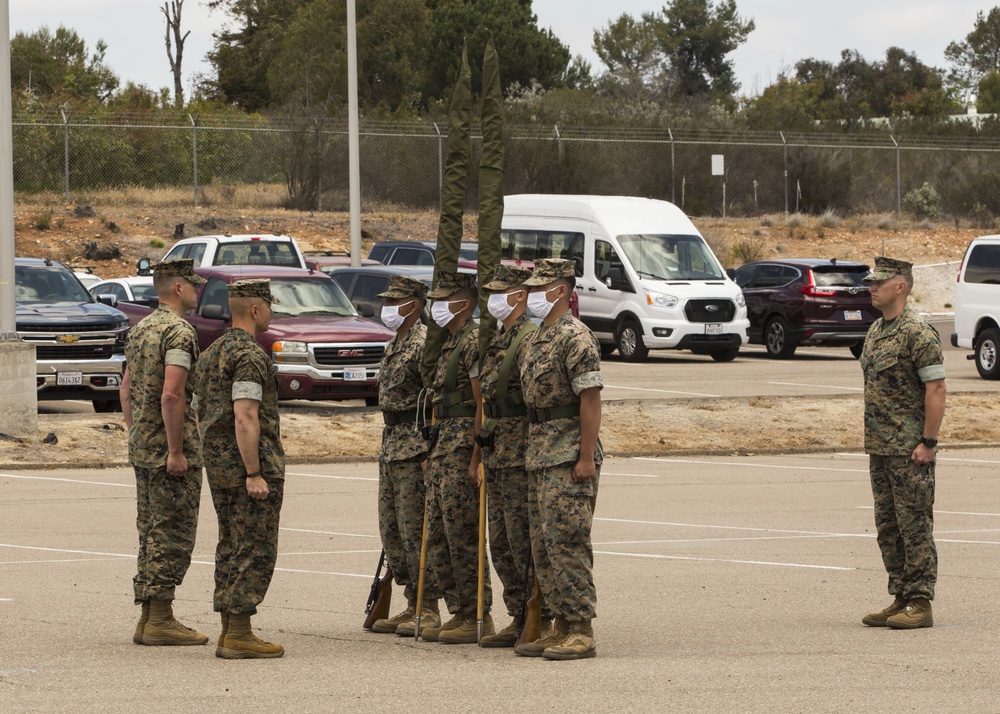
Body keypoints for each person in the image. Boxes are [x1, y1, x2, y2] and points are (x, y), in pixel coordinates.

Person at [194, 279, 286, 658]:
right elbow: (245, 416)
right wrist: (254, 471)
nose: (272, 311)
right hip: (246, 467)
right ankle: (240, 632)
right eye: (270, 305)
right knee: (253, 547)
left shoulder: (212, 351)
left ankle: (230, 628)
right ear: (255, 309)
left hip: (219, 465)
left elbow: (200, 412)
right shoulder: (249, 355)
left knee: (231, 544)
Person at [121, 257, 209, 647]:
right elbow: (172, 394)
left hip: (143, 447)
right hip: (170, 450)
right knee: (171, 531)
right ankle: (160, 618)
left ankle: (148, 616)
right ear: (177, 288)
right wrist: (175, 450)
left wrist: (137, 430)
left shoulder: (140, 330)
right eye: (193, 285)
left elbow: (125, 389)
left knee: (150, 529)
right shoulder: (179, 332)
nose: (197, 290)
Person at [518, 258, 603, 660]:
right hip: (539, 454)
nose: (533, 295)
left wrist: (585, 457)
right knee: (543, 545)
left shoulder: (576, 337)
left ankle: (581, 627)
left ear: (562, 291)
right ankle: (561, 624)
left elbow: (590, 399)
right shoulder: (537, 338)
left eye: (540, 288)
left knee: (568, 541)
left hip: (568, 454)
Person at [860, 256, 946, 630]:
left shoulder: (918, 332)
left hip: (910, 450)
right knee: (889, 527)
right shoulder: (877, 331)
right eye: (871, 282)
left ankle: (921, 601)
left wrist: (929, 441)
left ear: (901, 286)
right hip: (881, 448)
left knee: (914, 526)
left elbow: (937, 388)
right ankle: (901, 596)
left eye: (879, 282)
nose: (871, 288)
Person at [420, 270, 494, 643]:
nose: (435, 307)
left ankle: (475, 611)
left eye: (443, 300)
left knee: (462, 532)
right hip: (442, 447)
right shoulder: (449, 343)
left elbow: (482, 402)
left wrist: (476, 456)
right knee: (439, 535)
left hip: (462, 445)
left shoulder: (472, 343)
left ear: (463, 304)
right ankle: (458, 609)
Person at [370, 275, 442, 637]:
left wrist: (431, 448)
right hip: (392, 444)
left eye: (394, 301)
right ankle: (411, 599)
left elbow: (436, 399)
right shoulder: (396, 342)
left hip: (414, 447)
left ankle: (428, 607)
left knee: (417, 531)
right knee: (392, 529)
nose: (387, 308)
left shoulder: (424, 343)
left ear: (413, 305)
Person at [475, 264, 537, 647]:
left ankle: (537, 615)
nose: (492, 301)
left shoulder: (528, 338)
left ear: (519, 296)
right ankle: (518, 615)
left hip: (519, 453)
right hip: (497, 451)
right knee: (501, 542)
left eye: (499, 293)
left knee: (522, 540)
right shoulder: (499, 340)